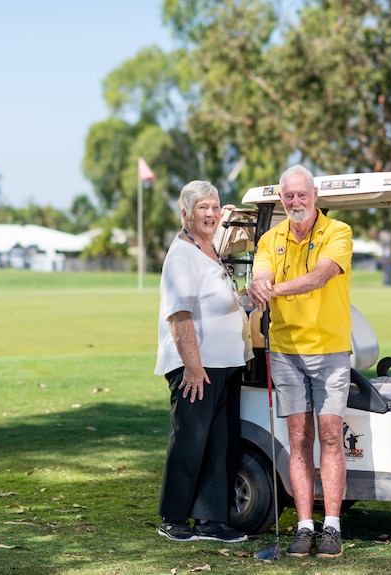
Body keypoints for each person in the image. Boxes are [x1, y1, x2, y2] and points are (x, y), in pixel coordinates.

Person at [248, 164, 353, 559]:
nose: (295, 202)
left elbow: (321, 276)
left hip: (329, 350)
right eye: (288, 196)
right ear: (282, 199)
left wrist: (273, 289)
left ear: (315, 196)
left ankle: (332, 528)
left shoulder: (338, 233)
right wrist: (259, 283)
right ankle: (305, 526)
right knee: (297, 440)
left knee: (329, 435)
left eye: (301, 195)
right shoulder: (269, 240)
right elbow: (260, 274)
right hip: (287, 351)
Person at [154, 180, 253, 543]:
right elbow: (179, 317)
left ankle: (212, 521)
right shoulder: (182, 254)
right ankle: (173, 518)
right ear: (186, 214)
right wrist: (193, 368)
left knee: (221, 443)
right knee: (191, 441)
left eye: (214, 207)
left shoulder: (208, 248)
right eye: (202, 208)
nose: (210, 214)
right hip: (198, 366)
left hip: (225, 364)